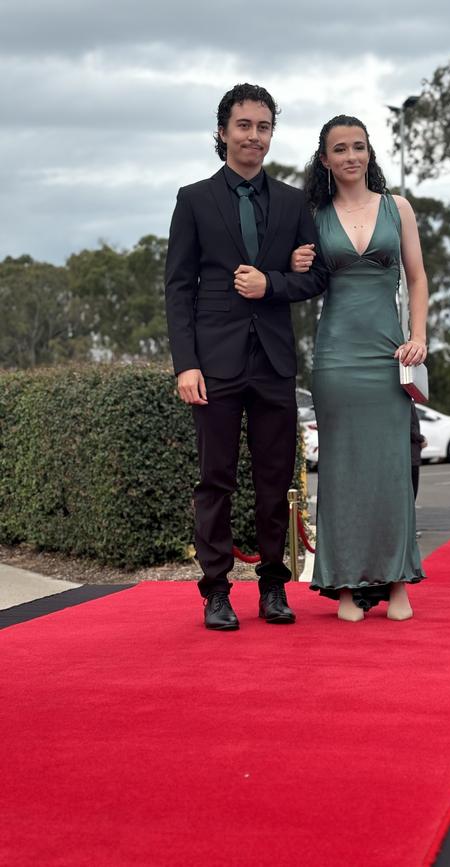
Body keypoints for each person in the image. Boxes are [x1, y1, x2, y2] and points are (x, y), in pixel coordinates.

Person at [165, 83, 327, 631]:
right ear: (223, 132)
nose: (253, 136)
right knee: (216, 479)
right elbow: (178, 288)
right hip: (213, 365)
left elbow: (316, 280)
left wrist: (273, 283)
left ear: (270, 134)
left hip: (275, 364)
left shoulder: (291, 202)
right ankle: (215, 591)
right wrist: (186, 363)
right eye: (243, 126)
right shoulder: (193, 199)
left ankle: (274, 587)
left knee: (275, 479)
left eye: (263, 127)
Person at [291, 115, 429, 622]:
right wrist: (296, 266)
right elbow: (296, 277)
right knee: (342, 471)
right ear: (325, 160)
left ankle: (397, 586)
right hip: (335, 357)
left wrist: (418, 337)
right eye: (340, 149)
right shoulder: (314, 214)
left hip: (388, 354)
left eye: (359, 147)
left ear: (369, 153)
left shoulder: (398, 209)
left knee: (392, 470)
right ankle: (344, 587)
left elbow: (417, 278)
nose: (351, 156)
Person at [410, 402, 427, 500]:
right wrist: (421, 439)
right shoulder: (407, 402)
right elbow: (410, 428)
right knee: (412, 491)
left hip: (411, 454)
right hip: (411, 455)